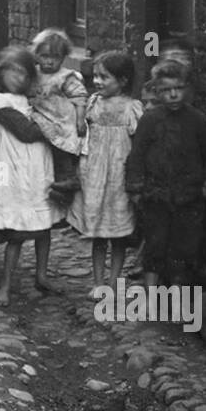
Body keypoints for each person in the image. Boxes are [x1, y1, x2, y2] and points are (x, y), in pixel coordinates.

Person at [125, 59, 206, 290]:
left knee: (184, 247)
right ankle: (150, 294)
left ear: (186, 88)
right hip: (155, 195)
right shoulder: (150, 120)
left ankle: (177, 295)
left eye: (178, 89)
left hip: (189, 196)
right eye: (167, 90)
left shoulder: (199, 121)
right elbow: (136, 155)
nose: (173, 95)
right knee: (155, 244)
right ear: (157, 91)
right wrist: (136, 188)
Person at [0, 47, 57, 307]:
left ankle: (42, 275)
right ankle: (6, 285)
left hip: (36, 169)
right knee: (17, 232)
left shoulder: (31, 101)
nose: (18, 78)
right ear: (1, 72)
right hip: (11, 170)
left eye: (24, 73)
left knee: (42, 224)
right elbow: (27, 131)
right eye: (12, 71)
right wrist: (56, 121)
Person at [67, 50, 144, 287]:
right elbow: (84, 137)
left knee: (118, 233)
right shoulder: (93, 103)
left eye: (104, 77)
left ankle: (113, 282)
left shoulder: (132, 108)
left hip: (118, 176)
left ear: (122, 81)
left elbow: (139, 144)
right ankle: (99, 283)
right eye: (96, 76)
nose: (97, 81)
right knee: (98, 233)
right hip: (95, 174)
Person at [30, 28, 88, 191]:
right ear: (37, 55)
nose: (49, 62)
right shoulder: (33, 73)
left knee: (61, 147)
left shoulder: (65, 76)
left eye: (55, 57)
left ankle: (69, 178)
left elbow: (79, 97)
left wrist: (80, 120)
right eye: (44, 56)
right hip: (41, 114)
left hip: (60, 118)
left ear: (63, 57)